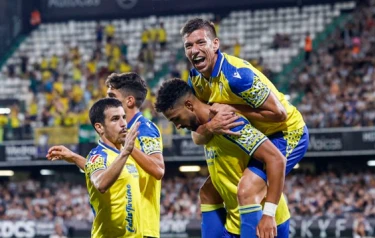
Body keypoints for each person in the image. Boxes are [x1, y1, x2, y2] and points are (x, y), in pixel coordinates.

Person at [180, 18, 309, 235]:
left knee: (248, 188)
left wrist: (233, 108)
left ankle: (269, 219)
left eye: (201, 43)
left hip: (286, 132)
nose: (194, 50)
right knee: (211, 190)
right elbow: (200, 130)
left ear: (215, 44)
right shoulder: (195, 80)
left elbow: (279, 114)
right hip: (252, 136)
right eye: (188, 46)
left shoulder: (237, 76)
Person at [155, 78, 290, 238]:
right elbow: (198, 137)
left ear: (189, 105)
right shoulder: (207, 128)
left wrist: (269, 214)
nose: (177, 126)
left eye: (177, 119)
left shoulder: (229, 123)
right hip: (235, 223)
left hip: (262, 224)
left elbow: (276, 159)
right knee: (206, 191)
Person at [47, 73, 164, 238]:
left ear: (129, 101)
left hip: (143, 225)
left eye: (112, 96)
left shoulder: (143, 128)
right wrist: (75, 158)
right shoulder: (117, 136)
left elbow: (158, 170)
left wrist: (128, 147)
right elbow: (105, 169)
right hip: (125, 228)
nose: (108, 100)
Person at [84, 97, 143, 237]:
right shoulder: (97, 155)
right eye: (115, 119)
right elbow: (100, 183)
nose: (123, 124)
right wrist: (125, 152)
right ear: (99, 127)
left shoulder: (124, 154)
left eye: (124, 117)